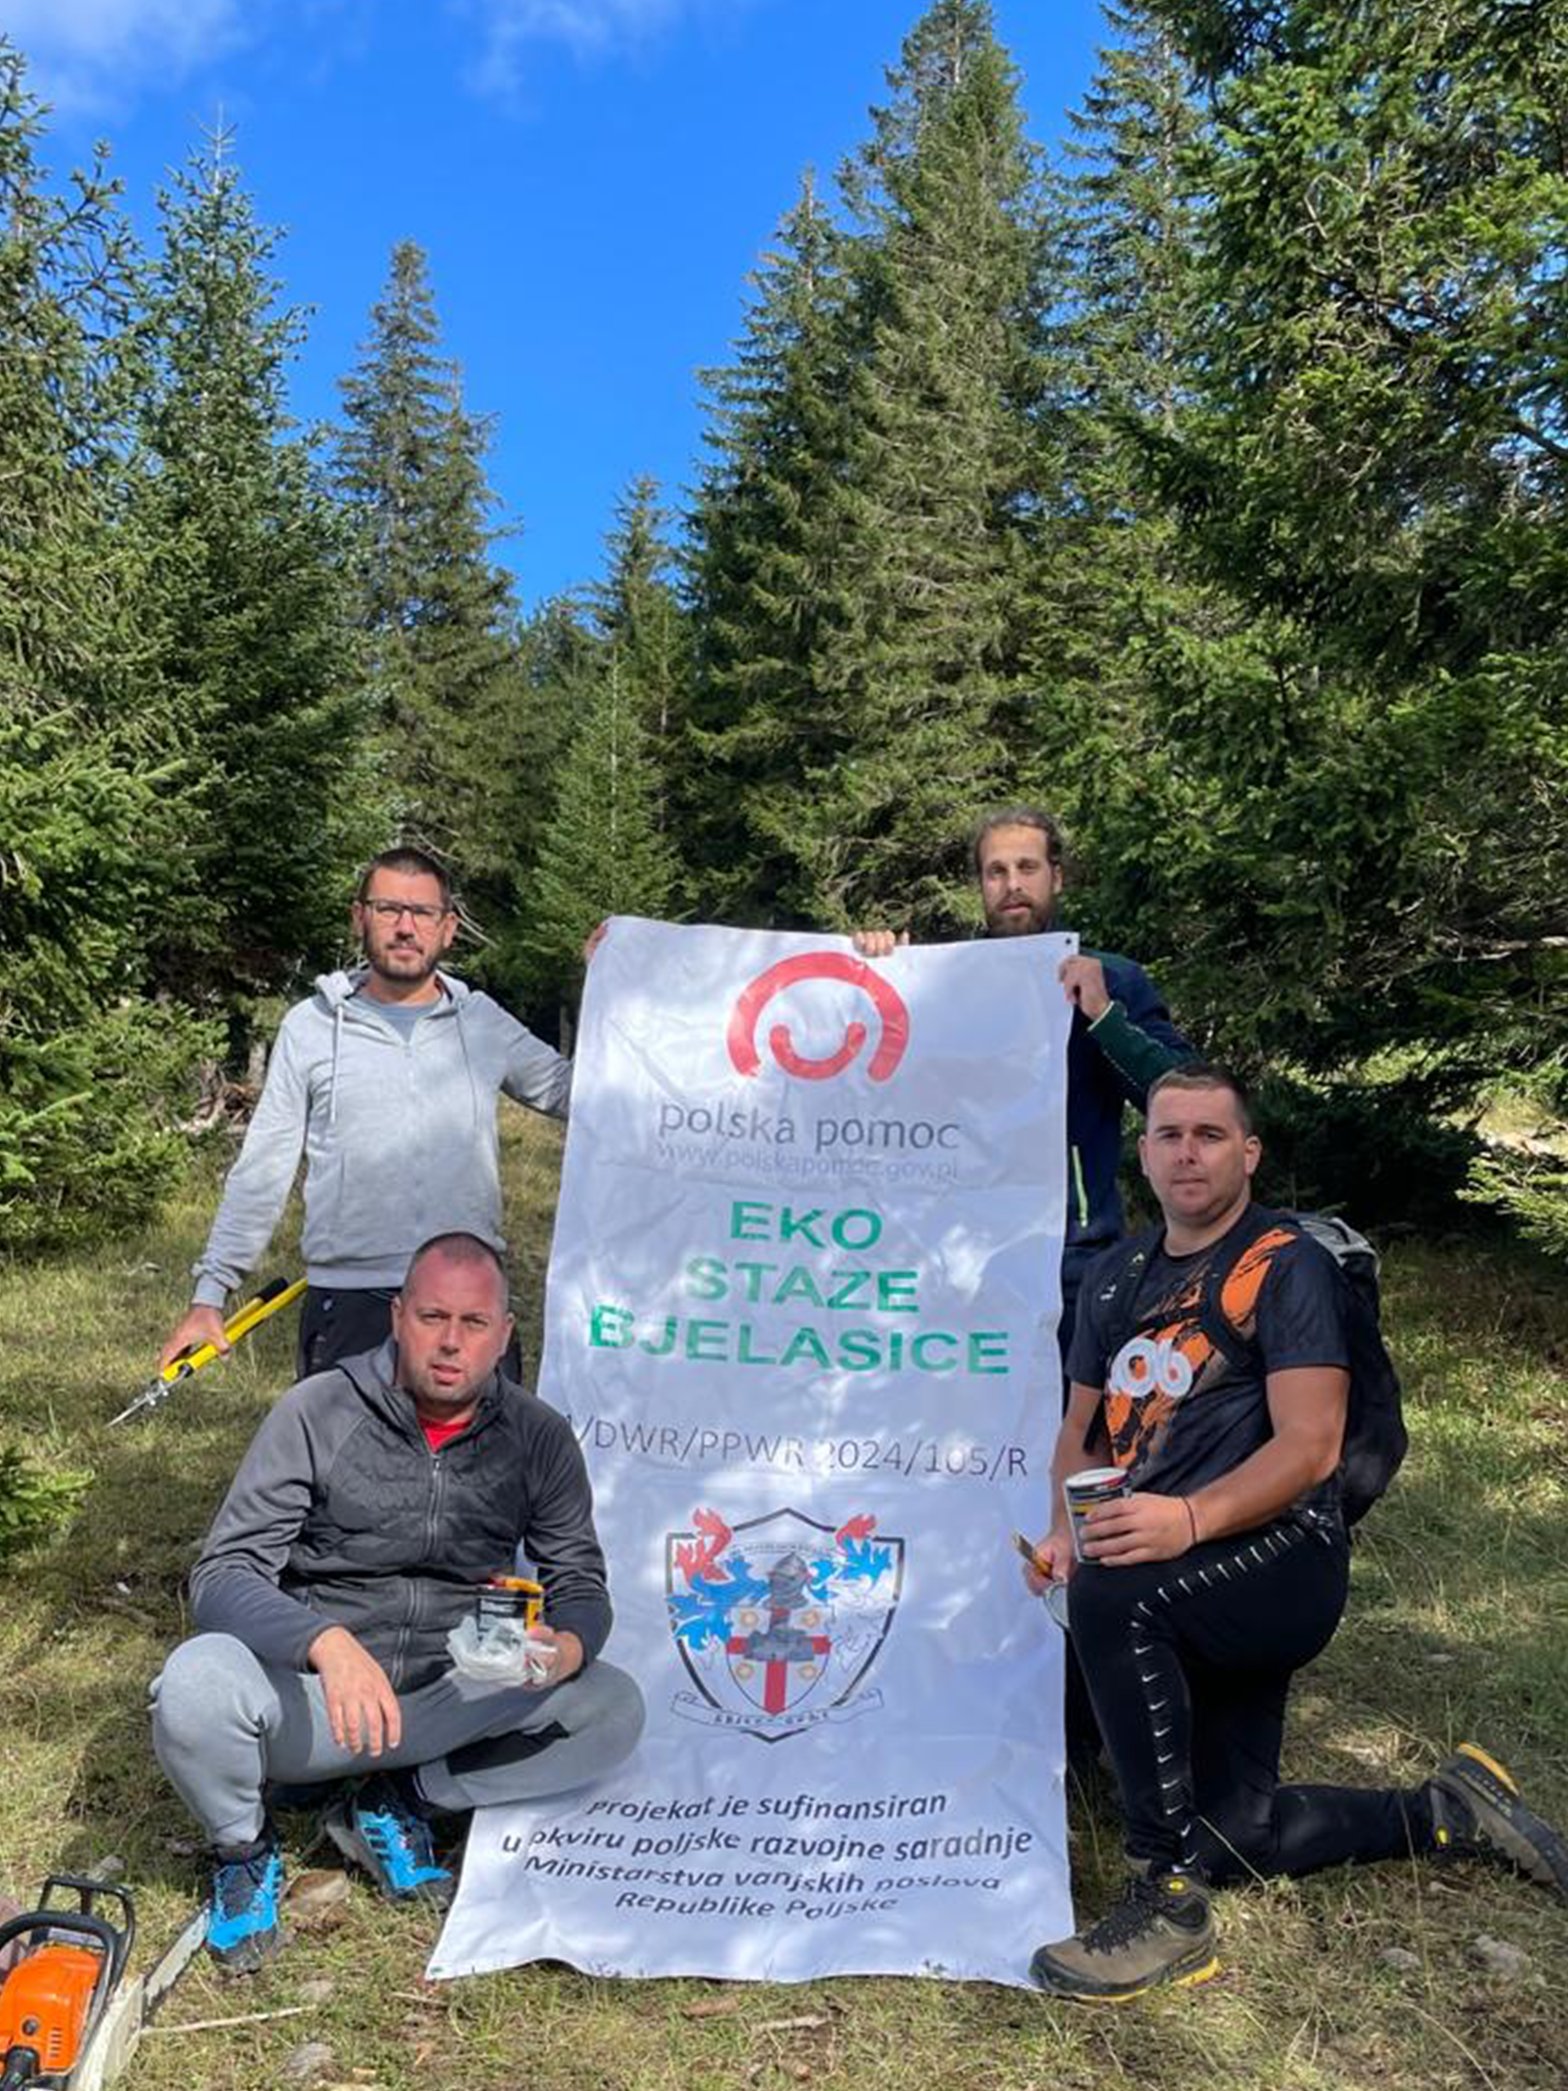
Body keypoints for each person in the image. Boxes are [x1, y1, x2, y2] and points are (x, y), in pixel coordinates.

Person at [1023, 1064, 1568, 2002]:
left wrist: (1185, 1518)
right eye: (1169, 1135)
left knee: (1116, 1594)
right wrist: (1064, 1529)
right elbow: (1083, 1432)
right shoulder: (1116, 1278)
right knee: (1238, 1834)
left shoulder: (1285, 1265)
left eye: (1210, 1135)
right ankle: (1446, 1810)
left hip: (1281, 1557)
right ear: (1143, 1153)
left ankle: (1168, 1903)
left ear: (1249, 1152)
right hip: (1179, 1558)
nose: (1187, 1153)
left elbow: (1312, 1446)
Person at [149, 1232, 645, 1972]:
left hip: (451, 1695)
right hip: (320, 1703)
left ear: (505, 1334)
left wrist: (565, 1647)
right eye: (432, 1316)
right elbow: (222, 1575)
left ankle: (400, 1799)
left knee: (613, 1707)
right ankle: (244, 1851)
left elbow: (579, 1580)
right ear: (397, 1316)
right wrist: (322, 1642)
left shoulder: (539, 1436)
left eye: (474, 1323)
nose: (450, 1342)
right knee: (194, 1685)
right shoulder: (316, 1410)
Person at [158, 846, 573, 1380]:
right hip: (350, 1305)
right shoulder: (310, 1027)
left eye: (422, 912)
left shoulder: (481, 1023)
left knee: (483, 1442)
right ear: (359, 918)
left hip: (466, 1303)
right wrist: (210, 1294)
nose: (405, 927)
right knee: (342, 1441)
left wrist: (614, 980)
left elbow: (582, 1096)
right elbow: (263, 1167)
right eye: (388, 909)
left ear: (448, 928)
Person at [858, 807, 1192, 1369]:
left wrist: (1104, 1016)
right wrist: (873, 974)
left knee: (1072, 1422)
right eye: (996, 871)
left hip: (1072, 1259)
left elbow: (1185, 1097)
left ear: (1056, 877)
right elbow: (868, 1096)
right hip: (949, 1257)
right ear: (980, 886)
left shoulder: (1111, 978)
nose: (1012, 884)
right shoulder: (936, 982)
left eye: (1027, 867)